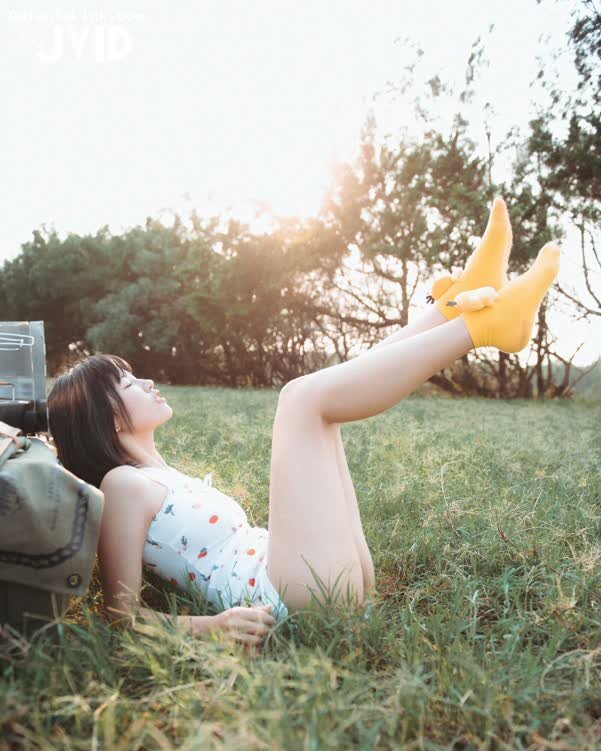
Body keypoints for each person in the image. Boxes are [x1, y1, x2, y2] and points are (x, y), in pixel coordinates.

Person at [47, 197, 560, 653]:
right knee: (301, 399)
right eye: (128, 382)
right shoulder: (121, 484)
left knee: (325, 403)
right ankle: (478, 326)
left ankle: (452, 309)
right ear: (105, 416)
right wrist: (211, 627)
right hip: (285, 598)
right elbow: (120, 617)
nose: (148, 381)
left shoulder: (160, 476)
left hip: (314, 580)